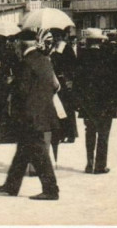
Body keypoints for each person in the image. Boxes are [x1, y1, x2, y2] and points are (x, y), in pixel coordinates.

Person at [0, 29, 60, 200]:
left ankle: (51, 190)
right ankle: (11, 185)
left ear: (21, 44)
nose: (15, 46)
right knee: (22, 152)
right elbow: (53, 85)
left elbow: (22, 90)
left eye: (16, 43)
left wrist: (11, 84)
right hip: (42, 112)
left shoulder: (26, 62)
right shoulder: (44, 59)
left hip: (30, 115)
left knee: (39, 154)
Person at [75, 28, 117, 174]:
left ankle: (89, 164)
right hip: (106, 103)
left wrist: (78, 101)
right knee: (103, 134)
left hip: (88, 103)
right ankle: (100, 165)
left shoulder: (81, 58)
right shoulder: (109, 56)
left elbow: (77, 83)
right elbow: (116, 82)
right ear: (101, 41)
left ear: (88, 42)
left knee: (90, 132)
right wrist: (116, 100)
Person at [49, 29, 79, 159]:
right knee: (57, 108)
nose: (56, 39)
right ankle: (61, 133)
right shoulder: (52, 48)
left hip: (64, 80)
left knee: (67, 107)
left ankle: (71, 133)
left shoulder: (66, 48)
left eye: (57, 36)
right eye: (54, 36)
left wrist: (69, 78)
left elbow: (72, 65)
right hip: (55, 80)